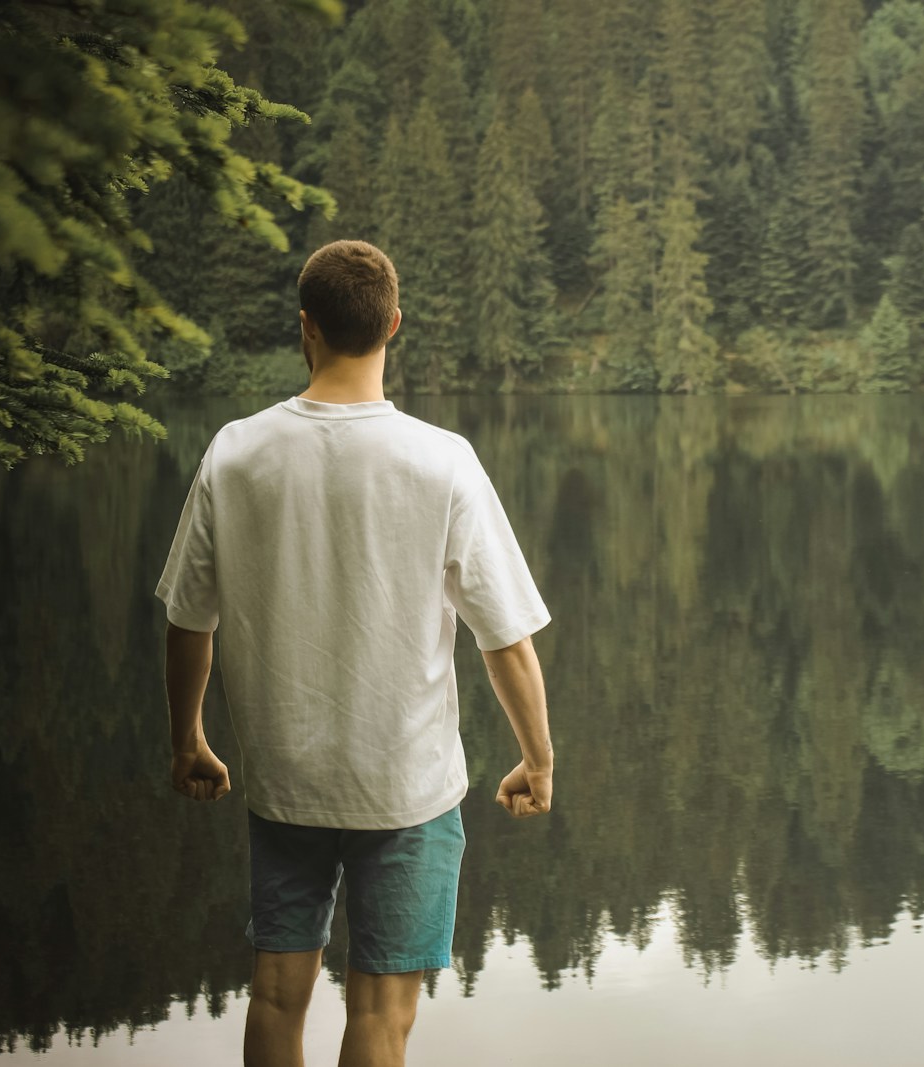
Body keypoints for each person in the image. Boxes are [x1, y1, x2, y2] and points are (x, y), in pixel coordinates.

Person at [156, 239, 553, 1067]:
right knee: (378, 1017)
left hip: (285, 779)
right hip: (407, 789)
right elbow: (505, 640)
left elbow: (191, 620)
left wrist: (188, 737)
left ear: (306, 327)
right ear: (393, 326)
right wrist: (537, 759)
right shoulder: (443, 461)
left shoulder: (236, 451)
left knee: (273, 997)